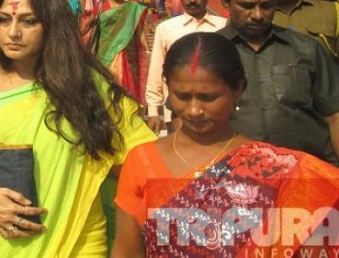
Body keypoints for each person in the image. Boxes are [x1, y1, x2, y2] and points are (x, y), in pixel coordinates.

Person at [0, 0, 154, 258]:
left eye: (28, 22)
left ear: (52, 25)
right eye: (3, 20)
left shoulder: (88, 86)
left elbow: (140, 162)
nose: (13, 32)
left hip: (75, 246)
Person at [112, 32, 339, 258]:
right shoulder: (142, 161)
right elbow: (126, 250)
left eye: (208, 97)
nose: (194, 110)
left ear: (239, 89)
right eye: (182, 96)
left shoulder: (276, 168)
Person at [217, 0, 339, 165]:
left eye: (266, 5)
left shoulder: (307, 49)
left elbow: (334, 116)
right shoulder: (210, 52)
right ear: (226, 2)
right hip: (235, 178)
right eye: (246, 6)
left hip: (307, 173)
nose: (257, 15)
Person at [145, 0, 226, 133]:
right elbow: (156, 70)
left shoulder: (224, 27)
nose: (192, 0)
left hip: (217, 112)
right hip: (177, 113)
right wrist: (153, 111)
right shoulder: (166, 29)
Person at [93, 0, 149, 103]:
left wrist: (147, 49)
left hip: (126, 52)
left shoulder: (132, 8)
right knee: (105, 83)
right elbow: (93, 27)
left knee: (126, 83)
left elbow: (139, 31)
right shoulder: (101, 6)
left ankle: (128, 112)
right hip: (104, 52)